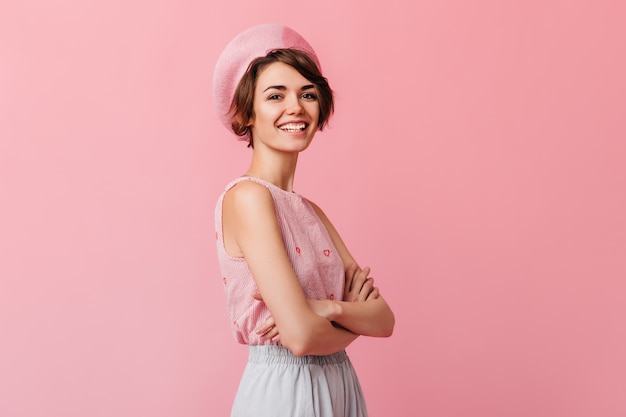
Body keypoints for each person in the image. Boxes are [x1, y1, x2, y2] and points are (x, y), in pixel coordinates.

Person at [212, 23, 395, 417]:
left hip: (340, 382)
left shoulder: (312, 212)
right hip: (283, 391)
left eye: (307, 94)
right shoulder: (247, 198)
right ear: (246, 112)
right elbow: (297, 336)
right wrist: (345, 319)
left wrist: (326, 310)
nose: (295, 107)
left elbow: (383, 320)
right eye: (275, 95)